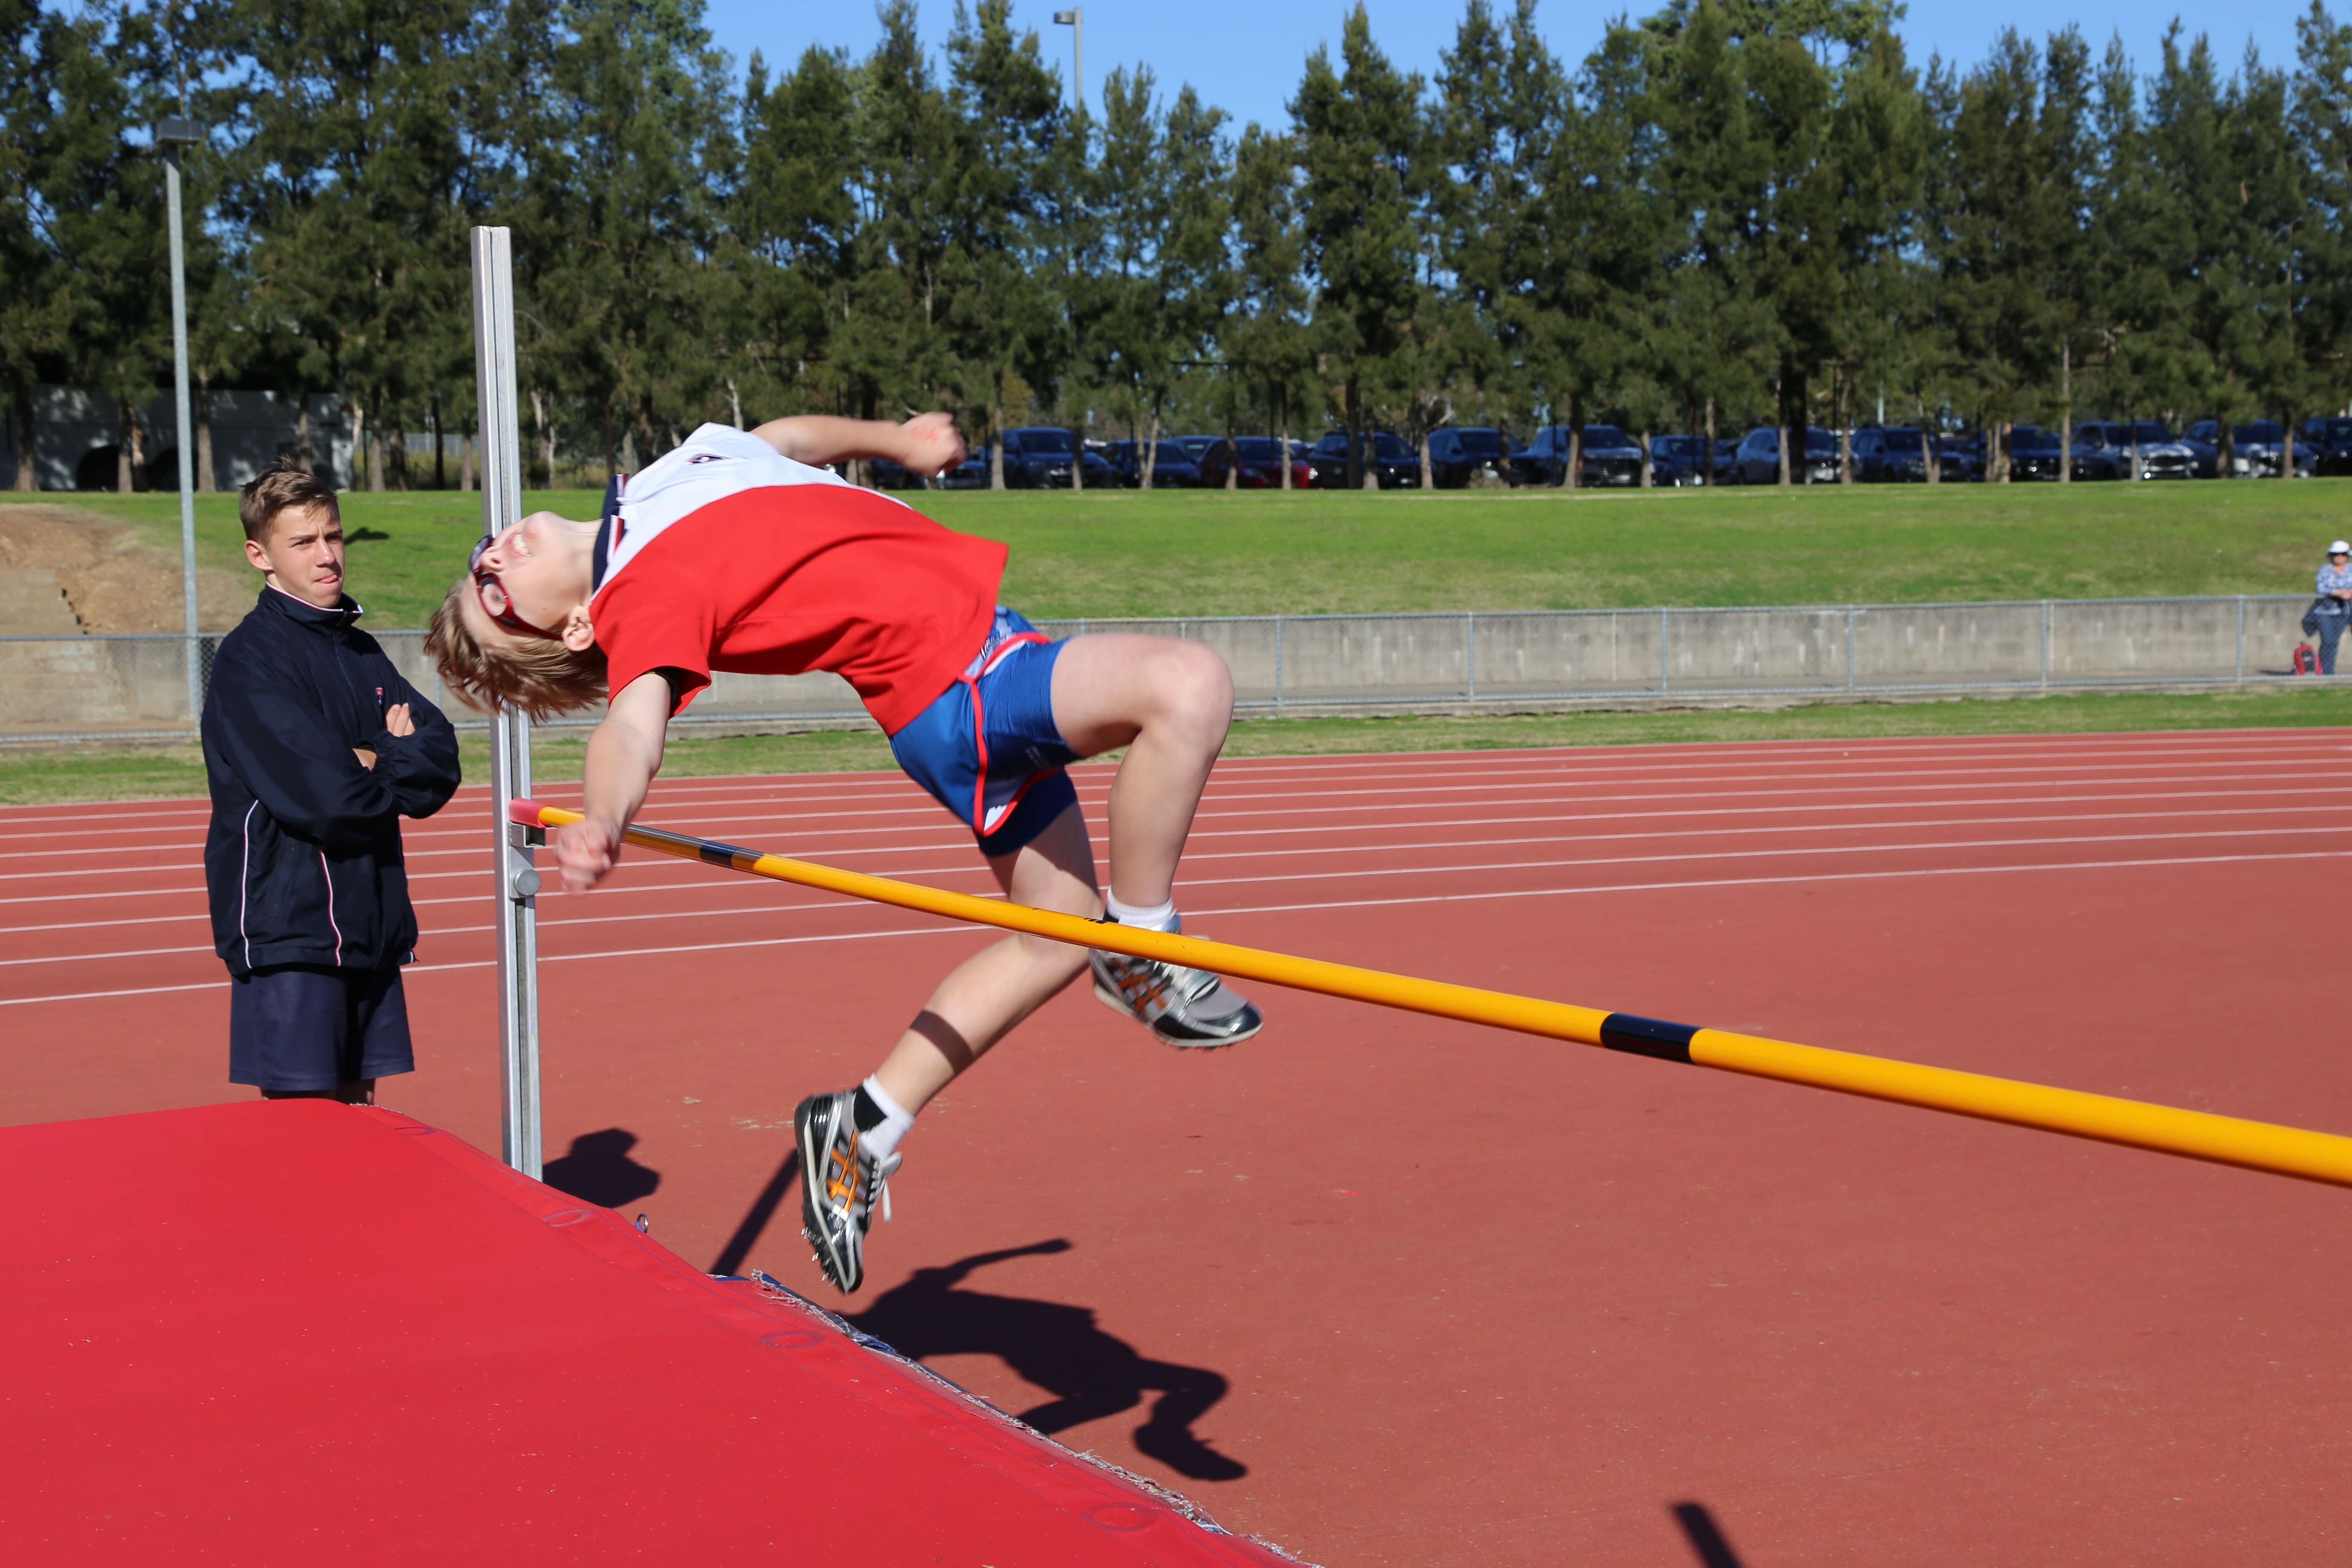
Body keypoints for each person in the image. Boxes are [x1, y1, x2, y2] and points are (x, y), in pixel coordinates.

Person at [424, 413, 1262, 1294]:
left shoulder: (662, 482)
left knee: (1054, 936)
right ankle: (1145, 949)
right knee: (1188, 686)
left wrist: (897, 443)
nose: (492, 560)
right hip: (959, 683)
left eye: (480, 559)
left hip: (984, 646)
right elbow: (634, 723)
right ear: (575, 631)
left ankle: (863, 1125)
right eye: (493, 594)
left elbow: (780, 442)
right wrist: (604, 814)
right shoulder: (639, 596)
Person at [202, 456, 462, 1104]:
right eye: (304, 543)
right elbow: (330, 798)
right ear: (259, 555)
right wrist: (380, 754)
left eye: (334, 537)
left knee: (363, 1122)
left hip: (370, 924)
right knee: (302, 1136)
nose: (328, 557)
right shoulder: (249, 660)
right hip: (294, 935)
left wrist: (374, 757)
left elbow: (440, 762)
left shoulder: (361, 652)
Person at [2311, 542, 2352, 674]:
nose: (2340, 557)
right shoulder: (2325, 569)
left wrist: (2349, 592)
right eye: (2336, 554)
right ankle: (2324, 671)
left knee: (2334, 642)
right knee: (2328, 640)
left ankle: (2329, 671)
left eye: (2343, 554)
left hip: (2344, 611)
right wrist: (2339, 593)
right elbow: (2321, 587)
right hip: (2325, 611)